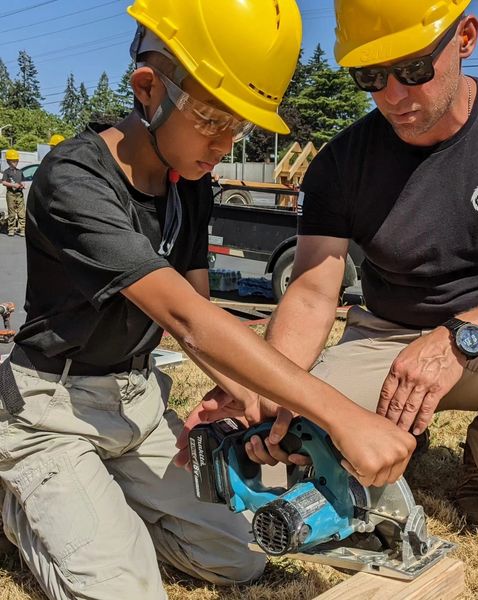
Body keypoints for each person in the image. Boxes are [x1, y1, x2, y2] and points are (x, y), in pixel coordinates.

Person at [0, 1, 416, 599]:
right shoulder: (74, 181)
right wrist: (339, 414)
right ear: (148, 88)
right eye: (213, 119)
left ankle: (94, 506)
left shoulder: (188, 183)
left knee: (237, 558)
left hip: (135, 404)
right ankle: (22, 499)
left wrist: (256, 396)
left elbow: (203, 305)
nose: (226, 142)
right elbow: (185, 318)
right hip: (53, 411)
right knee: (125, 592)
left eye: (239, 127)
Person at [195, 0, 478, 530]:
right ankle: (401, 428)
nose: (393, 95)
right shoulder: (340, 164)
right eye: (371, 75)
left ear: (466, 38)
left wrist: (456, 338)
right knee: (301, 435)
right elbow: (314, 292)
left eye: (413, 70)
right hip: (385, 339)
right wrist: (270, 385)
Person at [2, 149, 26, 237]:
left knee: (21, 213)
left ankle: (22, 229)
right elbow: (3, 182)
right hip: (11, 194)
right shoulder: (6, 172)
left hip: (19, 194)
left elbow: (23, 181)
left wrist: (23, 185)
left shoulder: (20, 172)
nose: (16, 162)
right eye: (13, 161)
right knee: (11, 212)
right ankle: (11, 229)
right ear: (8, 161)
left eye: (17, 160)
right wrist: (13, 185)